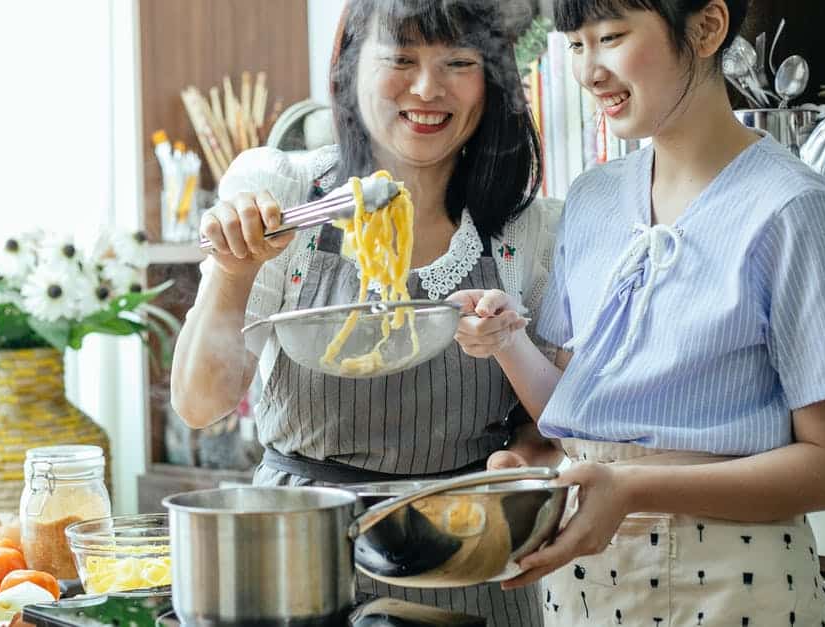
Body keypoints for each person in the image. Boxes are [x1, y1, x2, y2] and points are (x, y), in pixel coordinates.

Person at [453, 0, 825, 623]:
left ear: (705, 29)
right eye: (575, 45)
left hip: (737, 582)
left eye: (611, 37)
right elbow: (574, 415)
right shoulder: (592, 200)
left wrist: (633, 487)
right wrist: (508, 343)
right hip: (588, 586)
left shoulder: (791, 208)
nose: (589, 71)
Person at [170, 0, 561, 622]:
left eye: (458, 62)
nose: (428, 89)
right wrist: (231, 272)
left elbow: (552, 428)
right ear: (350, 69)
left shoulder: (529, 231)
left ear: (493, 78)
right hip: (297, 553)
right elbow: (200, 404)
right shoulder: (281, 191)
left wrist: (522, 462)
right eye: (401, 59)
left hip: (464, 555)